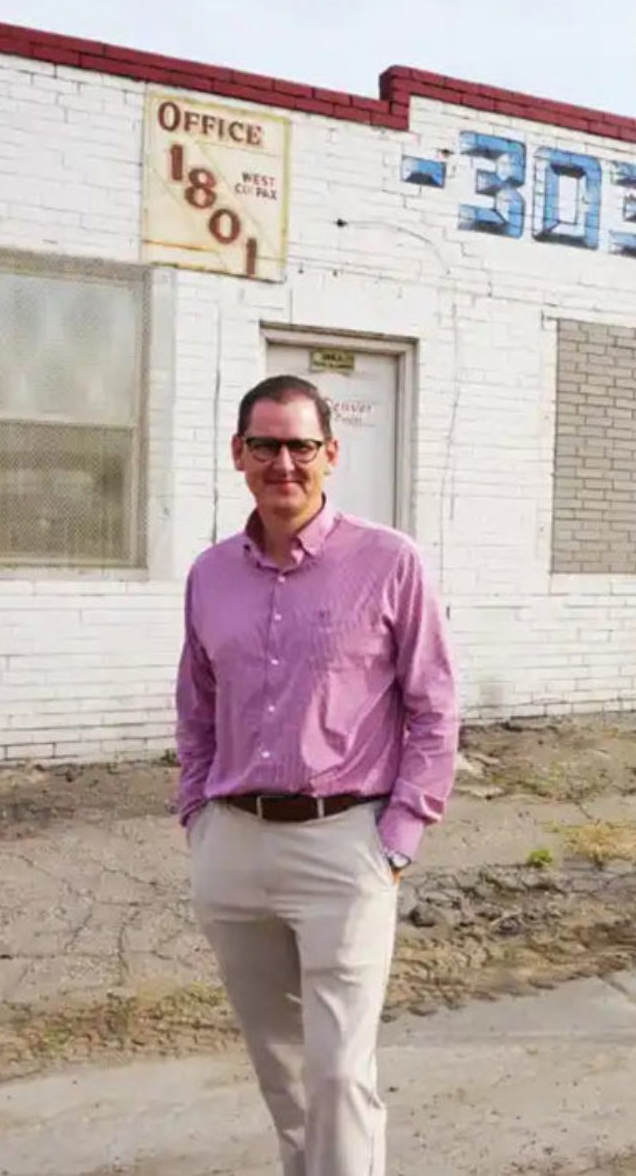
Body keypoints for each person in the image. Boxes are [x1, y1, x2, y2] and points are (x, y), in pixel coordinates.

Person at [173, 372, 458, 1176]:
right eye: (265, 444)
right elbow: (196, 704)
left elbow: (435, 706)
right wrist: (197, 816)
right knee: (284, 1073)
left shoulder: (390, 562)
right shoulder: (210, 574)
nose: (284, 463)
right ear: (239, 454)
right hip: (232, 844)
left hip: (346, 845)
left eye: (302, 445)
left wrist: (397, 837)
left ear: (331, 454)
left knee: (337, 1075)